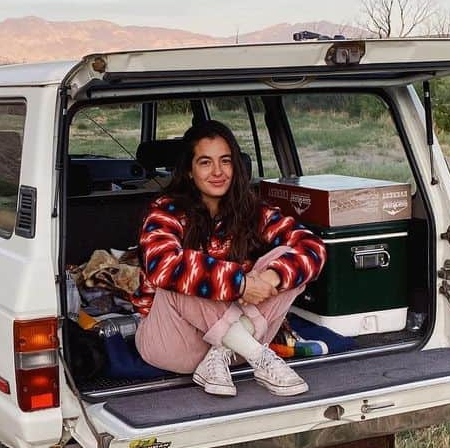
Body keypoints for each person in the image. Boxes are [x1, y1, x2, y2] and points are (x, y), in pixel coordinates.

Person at [132, 121, 326, 397]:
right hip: (173, 344)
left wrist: (272, 277)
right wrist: (241, 284)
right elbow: (162, 265)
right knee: (181, 270)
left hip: (232, 349)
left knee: (287, 260)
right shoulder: (165, 211)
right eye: (205, 163)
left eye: (225, 161)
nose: (218, 172)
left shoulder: (252, 210)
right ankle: (261, 358)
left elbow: (313, 247)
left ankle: (221, 355)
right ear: (189, 171)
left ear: (236, 166)